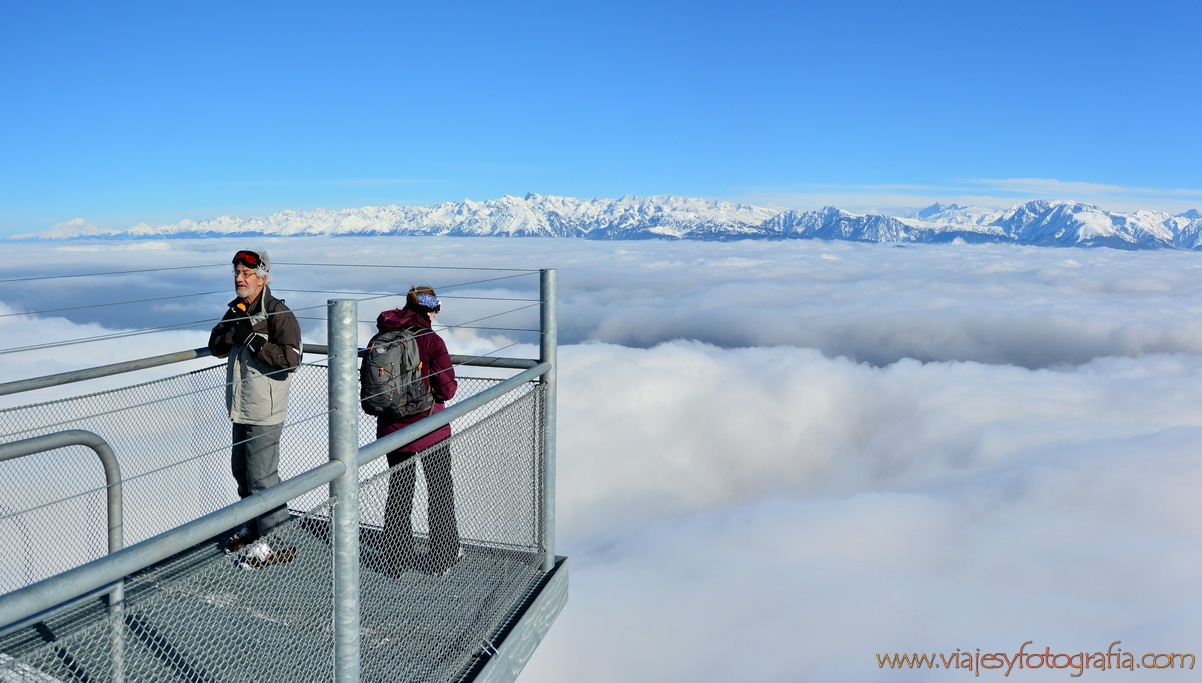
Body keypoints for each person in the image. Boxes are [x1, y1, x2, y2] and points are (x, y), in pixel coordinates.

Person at [208, 249, 303, 568]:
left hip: (265, 407)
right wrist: (232, 335)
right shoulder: (236, 308)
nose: (239, 278)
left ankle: (278, 541)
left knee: (263, 477)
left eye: (246, 274)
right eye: (236, 273)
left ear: (262, 277)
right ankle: (254, 528)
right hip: (240, 404)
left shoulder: (278, 313)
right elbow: (214, 346)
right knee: (242, 473)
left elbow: (291, 359)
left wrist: (250, 340)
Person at [375, 286, 461, 576]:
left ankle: (396, 560)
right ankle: (443, 557)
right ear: (430, 309)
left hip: (393, 430)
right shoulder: (431, 339)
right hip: (430, 429)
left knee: (399, 493)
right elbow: (447, 389)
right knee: (439, 492)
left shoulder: (383, 335)